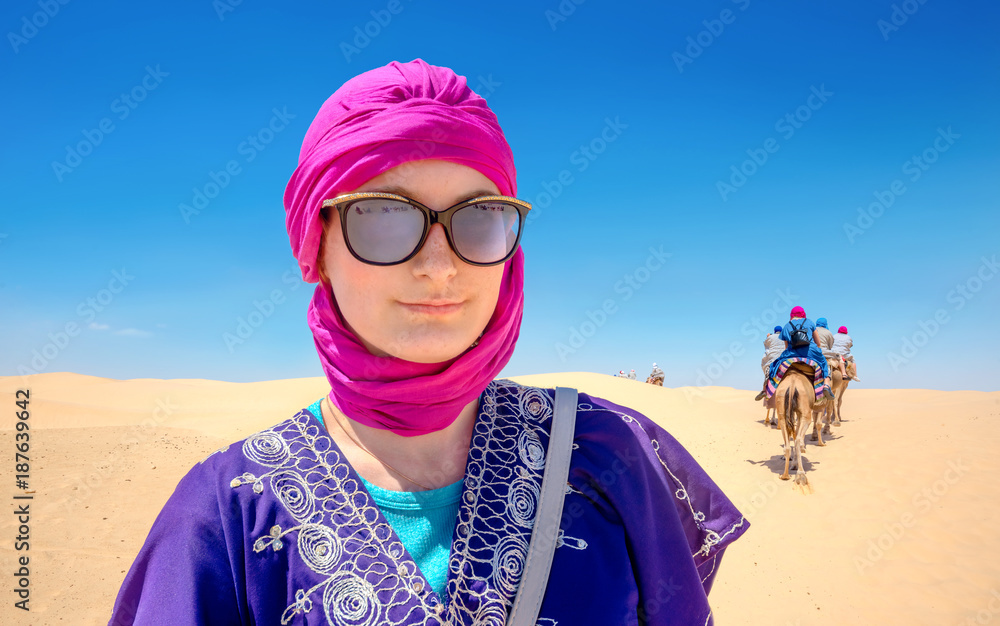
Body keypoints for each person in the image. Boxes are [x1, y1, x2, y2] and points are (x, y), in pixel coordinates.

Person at [108, 59, 746, 625]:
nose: (440, 267)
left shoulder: (615, 454)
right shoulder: (222, 522)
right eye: (386, 216)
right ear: (317, 246)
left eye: (479, 218)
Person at [754, 306, 834, 402]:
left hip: (791, 353)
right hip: (810, 353)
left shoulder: (787, 325)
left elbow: (786, 346)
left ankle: (765, 389)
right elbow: (818, 343)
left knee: (773, 365)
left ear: (791, 315)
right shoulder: (809, 322)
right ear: (803, 313)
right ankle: (826, 384)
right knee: (824, 362)